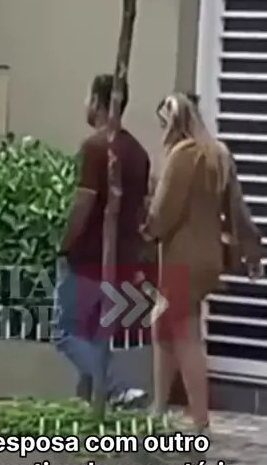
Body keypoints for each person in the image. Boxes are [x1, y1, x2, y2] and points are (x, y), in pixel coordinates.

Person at [144, 92, 262, 432]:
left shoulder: (183, 156)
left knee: (184, 334)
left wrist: (145, 230)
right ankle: (159, 406)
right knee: (164, 325)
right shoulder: (218, 154)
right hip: (207, 257)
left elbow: (164, 211)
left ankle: (199, 418)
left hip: (181, 259)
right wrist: (252, 251)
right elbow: (237, 209)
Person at [53, 73, 151, 407]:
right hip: (121, 259)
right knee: (95, 337)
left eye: (88, 97)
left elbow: (84, 201)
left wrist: (65, 243)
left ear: (98, 102)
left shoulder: (96, 147)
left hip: (89, 257)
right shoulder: (138, 153)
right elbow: (141, 210)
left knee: (65, 332)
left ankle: (114, 387)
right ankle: (90, 409)